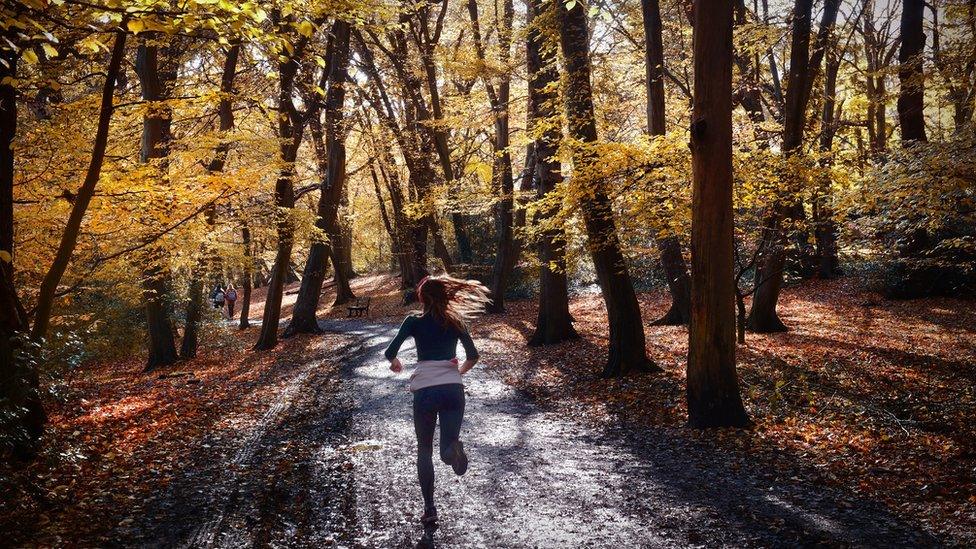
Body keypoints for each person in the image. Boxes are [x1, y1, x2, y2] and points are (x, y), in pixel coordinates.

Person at [384, 274, 490, 527]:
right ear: (445, 297)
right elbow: (473, 356)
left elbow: (390, 352)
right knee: (445, 450)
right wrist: (455, 373)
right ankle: (453, 451)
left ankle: (430, 509)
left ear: (422, 298)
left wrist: (396, 363)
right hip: (453, 389)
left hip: (425, 391)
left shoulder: (413, 322)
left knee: (424, 450)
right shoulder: (456, 322)